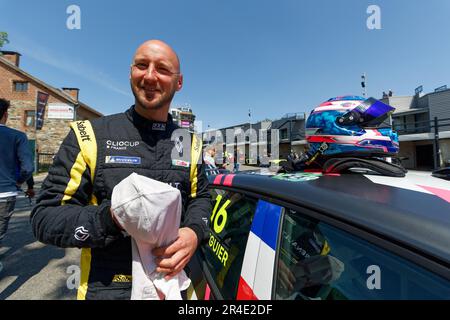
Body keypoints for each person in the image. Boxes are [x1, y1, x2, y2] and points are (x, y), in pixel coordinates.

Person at [30, 40, 211, 300]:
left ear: (178, 82)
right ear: (130, 72)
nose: (149, 75)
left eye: (162, 69)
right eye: (141, 65)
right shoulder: (90, 135)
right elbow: (44, 218)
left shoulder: (188, 142)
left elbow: (201, 198)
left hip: (172, 288)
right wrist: (111, 219)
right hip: (105, 290)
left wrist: (194, 232)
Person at [0, 98, 34, 249]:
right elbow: (27, 167)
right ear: (5, 115)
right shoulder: (17, 136)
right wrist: (20, 182)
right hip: (5, 193)